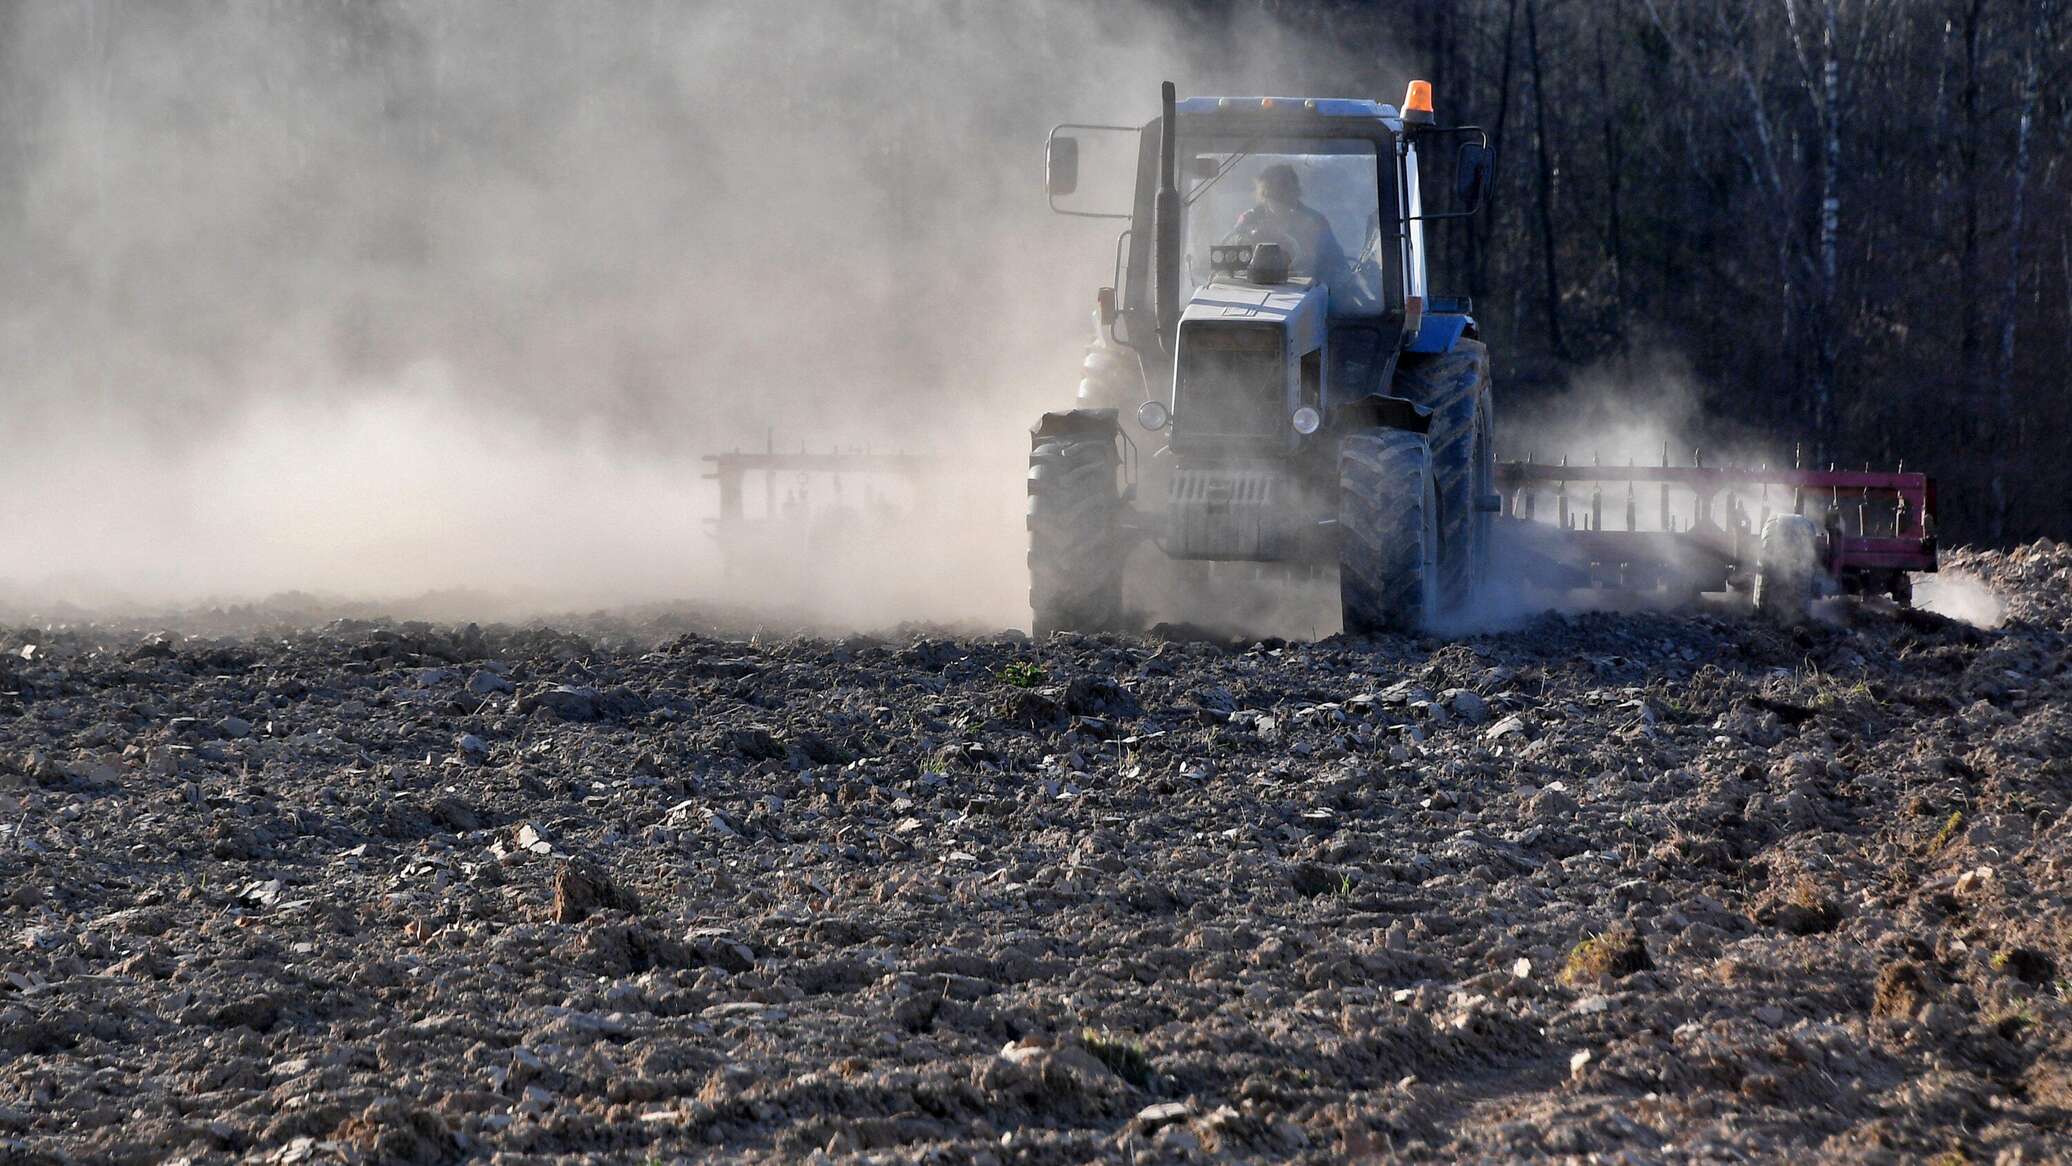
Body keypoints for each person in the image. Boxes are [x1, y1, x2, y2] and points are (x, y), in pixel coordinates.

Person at [1228, 164, 1348, 287]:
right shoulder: (1249, 220)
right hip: (1252, 289)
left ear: (1297, 192)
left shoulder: (1315, 222)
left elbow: (1339, 268)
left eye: (1289, 191)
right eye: (1277, 194)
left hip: (1306, 293)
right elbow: (1226, 259)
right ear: (1264, 195)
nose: (1284, 199)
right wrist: (1246, 240)